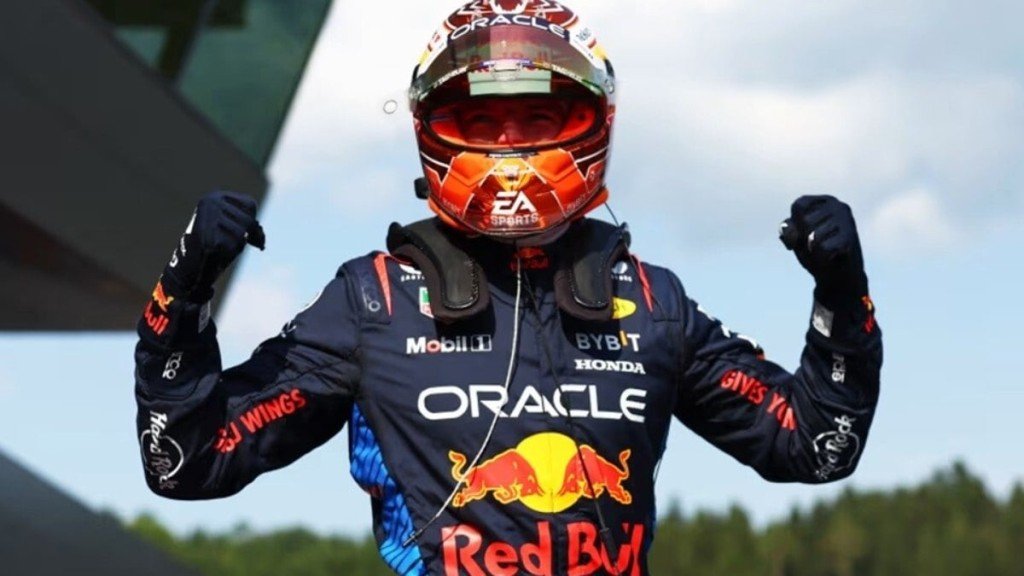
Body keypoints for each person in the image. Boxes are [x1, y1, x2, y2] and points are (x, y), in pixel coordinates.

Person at [134, 2, 882, 575]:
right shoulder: (374, 300)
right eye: (481, 120)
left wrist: (842, 299)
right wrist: (183, 301)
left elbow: (814, 446)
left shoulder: (655, 303)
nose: (510, 145)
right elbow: (188, 463)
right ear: (432, 128)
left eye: (537, 117)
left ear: (594, 121)